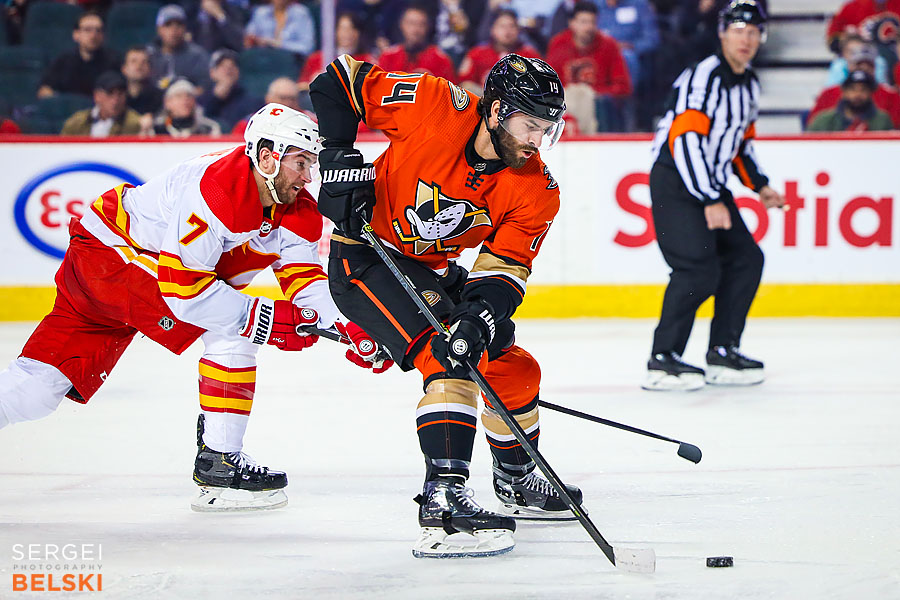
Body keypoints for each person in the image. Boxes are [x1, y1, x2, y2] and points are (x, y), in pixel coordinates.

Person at [0, 104, 392, 512]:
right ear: (267, 157)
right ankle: (221, 464)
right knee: (231, 330)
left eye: (311, 163)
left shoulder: (296, 211)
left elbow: (304, 282)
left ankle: (219, 461)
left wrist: (354, 326)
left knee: (39, 386)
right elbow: (184, 292)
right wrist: (274, 321)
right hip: (114, 259)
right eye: (300, 162)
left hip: (105, 265)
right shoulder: (216, 191)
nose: (308, 176)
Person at [309, 53, 581, 558]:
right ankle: (443, 500)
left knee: (512, 366)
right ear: (496, 111)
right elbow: (340, 78)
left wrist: (479, 317)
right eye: (529, 126)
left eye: (546, 129)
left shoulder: (535, 188)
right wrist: (338, 156)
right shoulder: (434, 105)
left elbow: (503, 270)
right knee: (448, 357)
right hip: (367, 259)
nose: (536, 141)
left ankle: (516, 475)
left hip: (434, 271)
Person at [643, 0, 785, 391]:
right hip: (676, 180)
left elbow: (741, 144)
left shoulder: (749, 83)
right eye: (739, 30)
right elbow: (684, 140)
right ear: (722, 32)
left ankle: (723, 350)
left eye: (754, 32)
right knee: (697, 270)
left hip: (710, 184)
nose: (747, 39)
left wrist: (760, 185)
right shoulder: (703, 77)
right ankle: (663, 359)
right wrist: (709, 198)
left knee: (746, 259)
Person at [546, 2, 632, 133]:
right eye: (583, 22)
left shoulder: (609, 45)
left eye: (592, 22)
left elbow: (623, 86)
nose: (588, 27)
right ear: (572, 23)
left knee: (585, 96)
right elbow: (548, 83)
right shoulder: (558, 44)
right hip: (564, 102)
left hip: (596, 104)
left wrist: (593, 93)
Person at [808, 42, 900, 128]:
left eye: (869, 65)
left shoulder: (890, 95)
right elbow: (813, 126)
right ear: (849, 66)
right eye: (859, 64)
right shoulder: (828, 93)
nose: (864, 68)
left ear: (875, 68)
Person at [458, 8, 542, 94]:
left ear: (518, 30)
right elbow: (464, 83)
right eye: (502, 26)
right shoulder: (477, 54)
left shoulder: (530, 55)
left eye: (512, 26)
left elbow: (543, 84)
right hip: (485, 101)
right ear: (492, 29)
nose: (507, 31)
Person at [38, 12, 121, 99]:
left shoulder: (113, 61)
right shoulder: (63, 60)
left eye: (98, 30)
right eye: (88, 30)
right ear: (76, 35)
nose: (93, 35)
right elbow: (44, 89)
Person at [378, 4, 457, 82]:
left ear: (428, 27)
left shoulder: (441, 60)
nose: (415, 30)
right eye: (411, 23)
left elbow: (451, 91)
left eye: (421, 24)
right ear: (401, 24)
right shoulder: (388, 57)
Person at [148, 4, 212, 91]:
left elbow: (205, 87)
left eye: (179, 24)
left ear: (185, 28)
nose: (174, 30)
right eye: (168, 25)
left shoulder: (197, 55)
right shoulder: (149, 54)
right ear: (159, 29)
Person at [60, 71, 145, 136]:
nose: (115, 100)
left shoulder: (135, 123)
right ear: (97, 96)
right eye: (110, 93)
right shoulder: (76, 123)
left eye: (120, 94)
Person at [198, 49, 264, 132]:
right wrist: (215, 98)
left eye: (233, 65)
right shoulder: (201, 101)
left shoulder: (253, 101)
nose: (228, 70)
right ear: (212, 72)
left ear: (238, 71)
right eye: (222, 66)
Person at [807, 70, 895, 131]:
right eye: (852, 89)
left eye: (863, 90)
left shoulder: (883, 119)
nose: (858, 94)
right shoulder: (823, 120)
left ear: (870, 93)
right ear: (844, 92)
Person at [231, 77, 303, 134]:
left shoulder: (309, 121)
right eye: (282, 98)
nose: (288, 103)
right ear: (269, 98)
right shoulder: (249, 124)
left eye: (292, 99)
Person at [244, 0, 316, 57]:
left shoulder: (301, 13)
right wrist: (254, 41)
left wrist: (278, 44)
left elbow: (307, 48)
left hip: (291, 60)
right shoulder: (260, 12)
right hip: (263, 58)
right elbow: (248, 40)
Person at [152, 78, 222, 137]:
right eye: (179, 96)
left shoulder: (209, 129)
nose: (185, 100)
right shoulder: (155, 130)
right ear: (167, 102)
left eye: (189, 96)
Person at [121, 46, 164, 119]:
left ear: (150, 69)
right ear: (124, 69)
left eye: (144, 62)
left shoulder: (159, 98)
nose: (139, 65)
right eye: (133, 61)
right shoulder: (117, 97)